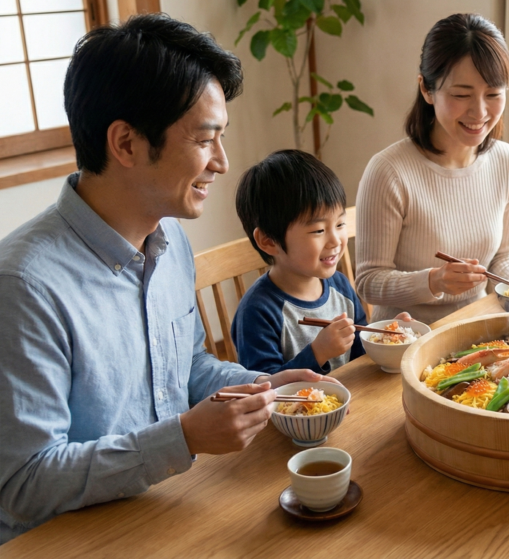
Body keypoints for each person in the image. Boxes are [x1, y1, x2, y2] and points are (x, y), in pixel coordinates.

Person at [0, 15, 332, 543]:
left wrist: (265, 389)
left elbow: (189, 365)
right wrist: (179, 439)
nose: (222, 163)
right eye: (205, 140)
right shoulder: (24, 285)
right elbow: (22, 485)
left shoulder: (169, 237)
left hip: (172, 509)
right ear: (126, 144)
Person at [355, 13, 509, 324]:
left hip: (478, 329)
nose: (480, 112)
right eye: (461, 95)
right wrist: (433, 281)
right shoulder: (389, 171)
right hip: (405, 341)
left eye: (494, 94)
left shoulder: (507, 162)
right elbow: (368, 283)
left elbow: (505, 255)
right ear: (427, 90)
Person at [232, 150, 411, 373]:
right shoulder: (257, 311)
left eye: (339, 224)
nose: (335, 240)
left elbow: (358, 355)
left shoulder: (340, 285)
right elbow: (265, 390)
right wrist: (317, 353)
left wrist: (386, 338)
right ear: (269, 241)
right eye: (318, 230)